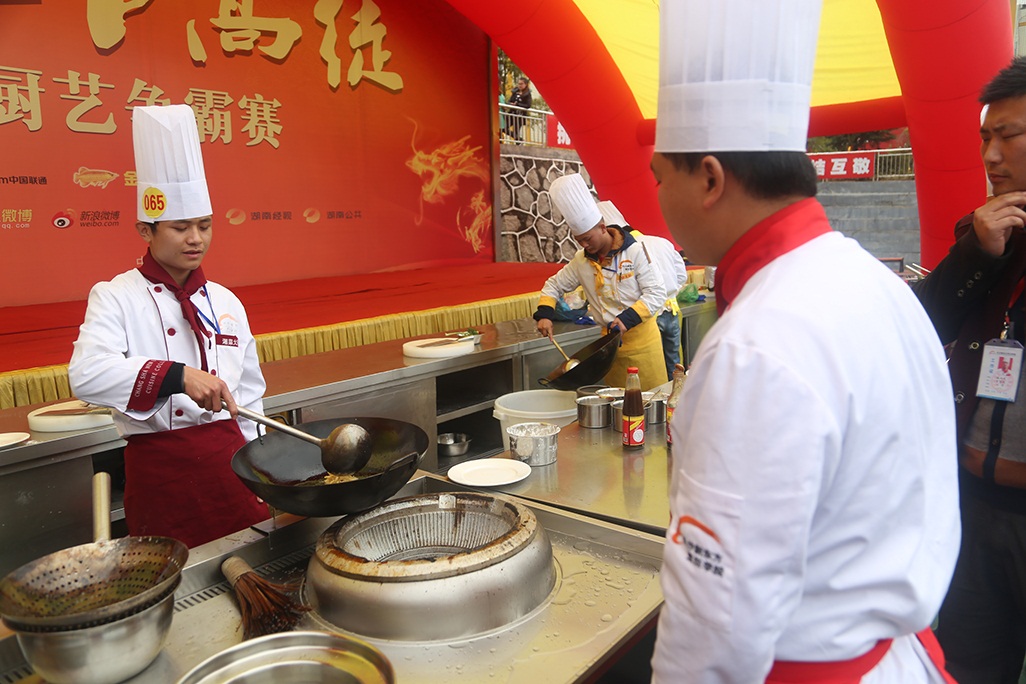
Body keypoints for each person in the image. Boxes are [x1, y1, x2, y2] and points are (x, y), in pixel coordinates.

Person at [649, 1, 960, 682]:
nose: (658, 199)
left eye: (659, 176)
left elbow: (715, 623)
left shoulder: (755, 345)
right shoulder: (873, 282)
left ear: (709, 178)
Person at [69, 104, 268, 548]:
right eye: (180, 228)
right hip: (161, 478)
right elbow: (86, 375)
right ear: (146, 230)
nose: (195, 239)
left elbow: (251, 396)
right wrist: (177, 376)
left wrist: (262, 469)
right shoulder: (115, 295)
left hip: (231, 471)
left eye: (204, 226)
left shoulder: (226, 301)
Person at [913, 55, 1026, 683]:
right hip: (973, 503)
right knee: (969, 664)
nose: (990, 155)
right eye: (985, 137)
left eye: (1008, 135)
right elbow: (923, 328)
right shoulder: (985, 234)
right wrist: (977, 255)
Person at [534, 172, 666, 390]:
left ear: (603, 227)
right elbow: (554, 285)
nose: (585, 245)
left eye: (588, 238)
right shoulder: (581, 261)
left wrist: (627, 319)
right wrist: (545, 314)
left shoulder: (635, 251)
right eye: (579, 241)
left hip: (643, 344)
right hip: (608, 347)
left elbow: (656, 292)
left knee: (649, 400)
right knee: (616, 402)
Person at [597, 199, 689, 382]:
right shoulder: (662, 242)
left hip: (646, 317)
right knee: (674, 365)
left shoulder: (627, 251)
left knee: (652, 367)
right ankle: (677, 396)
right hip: (671, 311)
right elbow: (681, 276)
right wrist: (670, 294)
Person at [507, 77, 532, 143]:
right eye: (519, 84)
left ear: (525, 84)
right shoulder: (515, 92)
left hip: (520, 115)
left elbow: (528, 105)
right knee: (504, 127)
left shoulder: (527, 94)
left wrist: (518, 104)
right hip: (511, 113)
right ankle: (519, 139)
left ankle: (518, 142)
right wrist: (511, 104)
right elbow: (509, 101)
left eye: (521, 84)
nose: (520, 85)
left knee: (516, 130)